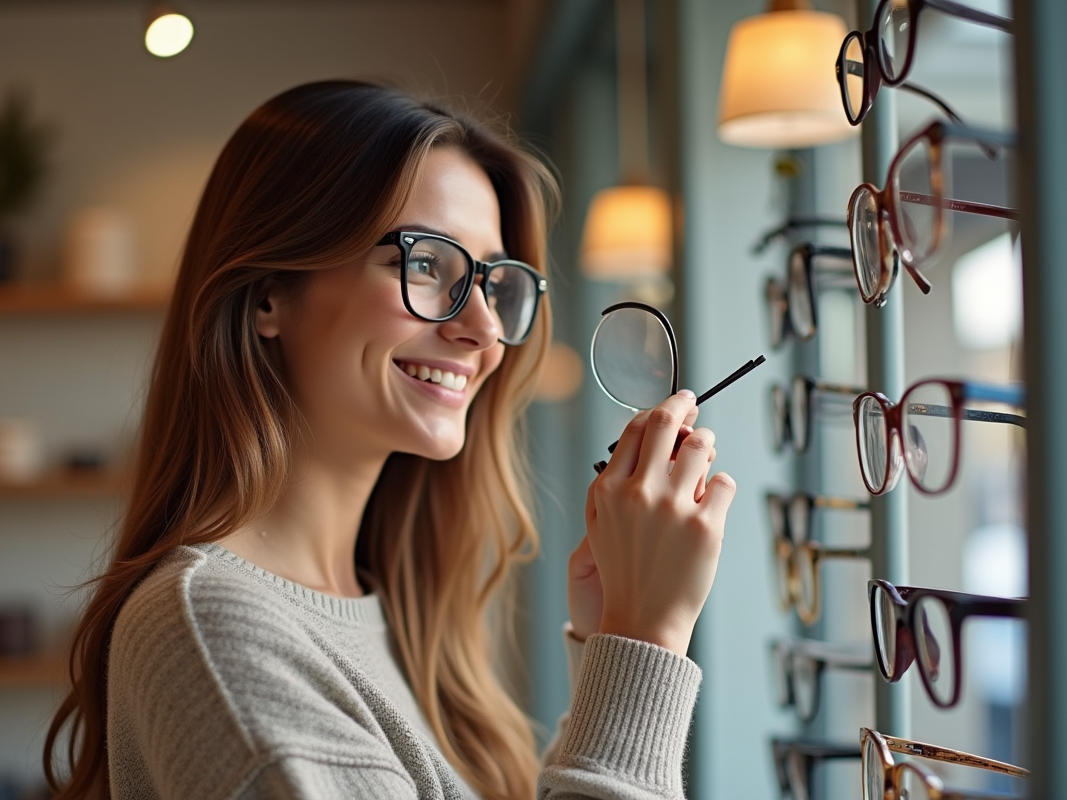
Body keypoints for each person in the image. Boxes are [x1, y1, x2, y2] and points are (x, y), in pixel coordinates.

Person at [43, 79, 736, 800]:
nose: (484, 330)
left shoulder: (402, 625)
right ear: (269, 293)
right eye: (427, 263)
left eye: (497, 285)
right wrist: (646, 641)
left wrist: (608, 650)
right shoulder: (215, 631)